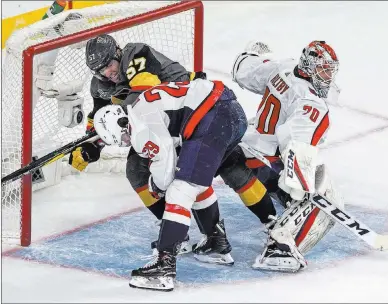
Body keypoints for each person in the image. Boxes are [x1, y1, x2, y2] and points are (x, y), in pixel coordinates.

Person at [93, 78, 248, 291]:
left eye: (119, 139)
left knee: (179, 190)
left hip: (212, 115)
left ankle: (164, 264)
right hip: (230, 111)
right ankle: (215, 243)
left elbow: (164, 166)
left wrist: (156, 185)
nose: (125, 142)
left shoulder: (138, 125)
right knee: (196, 180)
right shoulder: (141, 106)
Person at [67, 34, 207, 252]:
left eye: (109, 65)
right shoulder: (100, 85)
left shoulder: (136, 54)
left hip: (190, 115)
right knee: (135, 171)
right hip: (157, 126)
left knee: (192, 174)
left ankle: (217, 235)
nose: (108, 73)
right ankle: (176, 232)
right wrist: (91, 144)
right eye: (100, 70)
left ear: (118, 53)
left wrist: (108, 130)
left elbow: (143, 95)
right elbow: (100, 117)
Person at [231, 40, 345, 272]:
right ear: (309, 67)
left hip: (245, 147)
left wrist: (253, 54)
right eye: (323, 69)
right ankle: (279, 247)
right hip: (266, 161)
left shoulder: (282, 67)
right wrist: (299, 184)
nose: (327, 76)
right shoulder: (311, 101)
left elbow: (242, 70)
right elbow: (294, 140)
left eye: (329, 70)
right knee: (325, 199)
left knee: (297, 187)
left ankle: (284, 199)